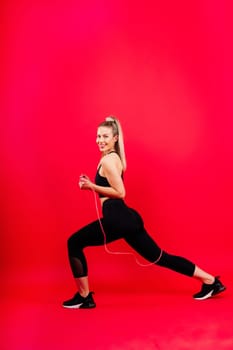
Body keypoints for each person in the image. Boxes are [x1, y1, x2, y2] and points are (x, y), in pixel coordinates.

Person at [63, 116, 226, 309]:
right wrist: (93, 185)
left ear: (115, 138)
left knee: (74, 242)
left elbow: (120, 192)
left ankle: (84, 297)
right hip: (127, 218)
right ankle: (210, 282)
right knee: (160, 257)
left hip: (118, 218)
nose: (100, 140)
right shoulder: (113, 158)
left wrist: (91, 186)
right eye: (98, 136)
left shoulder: (108, 160)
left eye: (105, 136)